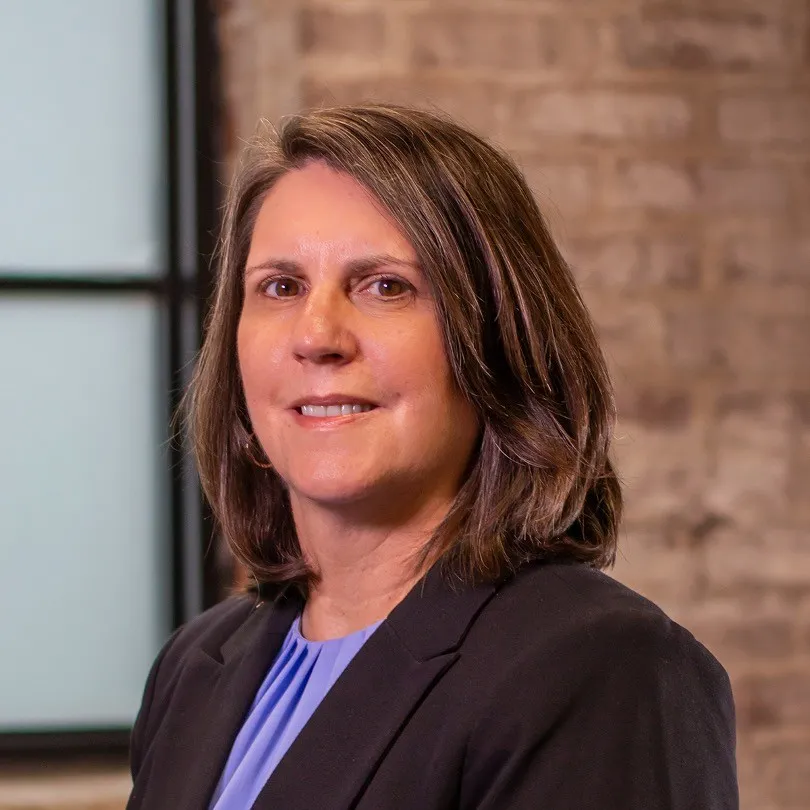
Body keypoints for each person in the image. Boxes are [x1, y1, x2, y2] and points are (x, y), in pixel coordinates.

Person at [126, 103, 738, 810]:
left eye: (386, 286)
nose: (317, 334)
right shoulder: (196, 666)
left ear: (499, 339)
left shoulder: (602, 668)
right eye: (280, 287)